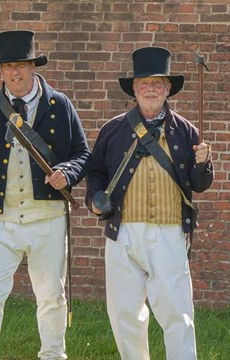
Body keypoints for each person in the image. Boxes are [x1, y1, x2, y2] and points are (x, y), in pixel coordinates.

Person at [0, 30, 91, 359]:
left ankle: (53, 355)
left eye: (21, 64)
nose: (14, 72)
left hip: (48, 219)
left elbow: (83, 154)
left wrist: (67, 173)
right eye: (8, 65)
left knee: (52, 297)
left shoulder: (59, 104)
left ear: (33, 66)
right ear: (1, 70)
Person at [85, 46, 213, 360]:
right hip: (123, 231)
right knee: (125, 313)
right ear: (134, 88)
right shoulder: (113, 129)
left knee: (177, 314)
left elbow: (200, 184)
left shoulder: (186, 131)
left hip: (169, 233)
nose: (151, 88)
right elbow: (96, 173)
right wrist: (94, 202)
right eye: (144, 82)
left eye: (158, 82)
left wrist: (204, 163)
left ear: (168, 88)